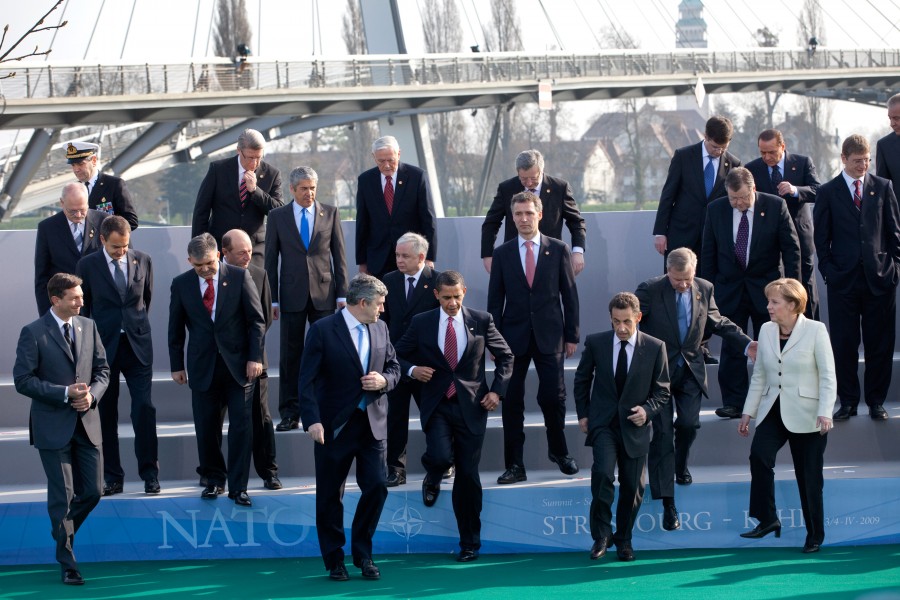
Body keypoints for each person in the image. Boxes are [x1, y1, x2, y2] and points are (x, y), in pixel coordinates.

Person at [395, 270, 513, 562]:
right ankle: (433, 475)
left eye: (456, 297)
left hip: (472, 407)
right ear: (436, 295)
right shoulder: (422, 322)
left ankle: (470, 542)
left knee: (468, 476)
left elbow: (506, 357)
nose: (452, 303)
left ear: (464, 292)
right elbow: (396, 355)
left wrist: (497, 392)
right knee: (439, 456)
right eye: (446, 297)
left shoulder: (482, 321)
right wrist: (412, 370)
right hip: (436, 404)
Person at [635, 247, 756, 531]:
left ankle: (679, 466)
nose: (683, 285)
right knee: (663, 434)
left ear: (694, 271)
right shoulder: (650, 289)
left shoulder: (704, 288)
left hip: (690, 369)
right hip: (658, 374)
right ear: (668, 271)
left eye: (687, 279)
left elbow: (718, 321)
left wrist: (746, 343)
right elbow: (631, 321)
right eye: (678, 279)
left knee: (689, 425)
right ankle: (668, 503)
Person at [298, 274, 400, 582]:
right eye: (380, 304)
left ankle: (363, 553)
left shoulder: (381, 328)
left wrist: (384, 381)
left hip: (373, 425)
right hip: (333, 428)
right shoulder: (322, 330)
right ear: (364, 302)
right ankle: (334, 560)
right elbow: (306, 380)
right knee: (330, 495)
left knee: (378, 486)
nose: (383, 310)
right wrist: (312, 420)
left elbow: (394, 367)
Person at [13, 273, 109, 585]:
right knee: (63, 497)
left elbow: (103, 370)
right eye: (75, 298)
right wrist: (65, 393)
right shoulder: (33, 332)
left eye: (81, 296)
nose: (82, 301)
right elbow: (23, 380)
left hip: (88, 425)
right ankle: (68, 563)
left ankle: (61, 534)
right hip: (53, 427)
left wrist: (91, 395)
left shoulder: (89, 326)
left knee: (93, 492)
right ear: (56, 300)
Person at [738, 278, 836, 553]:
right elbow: (760, 375)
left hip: (808, 414)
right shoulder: (766, 330)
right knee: (759, 456)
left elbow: (828, 375)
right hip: (774, 409)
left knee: (809, 478)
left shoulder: (816, 330)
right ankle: (768, 518)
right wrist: (748, 412)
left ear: (793, 305)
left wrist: (825, 411)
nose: (768, 306)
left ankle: (815, 535)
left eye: (774, 302)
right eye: (769, 301)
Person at [488, 191, 580, 484]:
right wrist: (494, 341)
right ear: (512, 217)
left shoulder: (559, 249)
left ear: (540, 214)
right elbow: (495, 300)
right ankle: (515, 465)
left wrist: (572, 334)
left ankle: (559, 451)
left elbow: (570, 295)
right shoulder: (502, 253)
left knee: (553, 397)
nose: (523, 219)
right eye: (518, 214)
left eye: (529, 213)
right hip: (511, 340)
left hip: (551, 336)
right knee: (512, 401)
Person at [168, 233, 266, 506]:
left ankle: (239, 487)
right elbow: (175, 328)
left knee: (241, 428)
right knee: (206, 428)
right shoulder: (181, 284)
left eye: (209, 263)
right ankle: (213, 480)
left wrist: (254, 357)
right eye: (198, 266)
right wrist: (176, 365)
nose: (205, 270)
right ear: (190, 261)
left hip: (238, 367)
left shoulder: (238, 277)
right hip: (202, 367)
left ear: (218, 255)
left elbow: (256, 321)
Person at [574, 292, 670, 562]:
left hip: (635, 427)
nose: (622, 328)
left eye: (627, 321)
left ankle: (624, 538)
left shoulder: (654, 347)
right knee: (603, 476)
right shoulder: (596, 343)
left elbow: (663, 391)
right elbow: (581, 380)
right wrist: (583, 415)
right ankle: (601, 536)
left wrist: (647, 411)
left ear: (638, 317)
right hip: (603, 424)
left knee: (632, 487)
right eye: (616, 321)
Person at [701, 167, 800, 419]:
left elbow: (791, 249)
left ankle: (774, 399)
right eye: (733, 198)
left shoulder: (775, 206)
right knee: (734, 346)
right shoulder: (716, 209)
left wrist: (792, 291)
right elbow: (709, 253)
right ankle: (734, 402)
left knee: (772, 345)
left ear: (753, 188)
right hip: (729, 289)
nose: (738, 203)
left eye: (743, 198)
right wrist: (707, 292)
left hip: (768, 290)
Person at [813, 134, 900, 422]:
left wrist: (894, 268)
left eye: (866, 160)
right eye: (857, 160)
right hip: (843, 282)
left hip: (880, 279)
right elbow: (820, 238)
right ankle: (848, 401)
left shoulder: (883, 187)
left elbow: (894, 233)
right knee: (844, 343)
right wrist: (829, 272)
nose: (863, 165)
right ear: (844, 159)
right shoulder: (827, 192)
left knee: (880, 343)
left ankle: (876, 401)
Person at [76, 215, 159, 496]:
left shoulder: (143, 259)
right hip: (103, 350)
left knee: (143, 410)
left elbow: (145, 300)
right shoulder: (87, 266)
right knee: (106, 414)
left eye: (124, 246)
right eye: (115, 247)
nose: (121, 251)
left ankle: (150, 475)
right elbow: (84, 311)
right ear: (102, 240)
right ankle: (113, 477)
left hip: (137, 346)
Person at [264, 166, 348, 431]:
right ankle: (290, 413)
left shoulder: (330, 213)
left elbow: (340, 256)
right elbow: (269, 262)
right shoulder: (277, 216)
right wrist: (273, 300)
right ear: (292, 189)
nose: (309, 193)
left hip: (325, 295)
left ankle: (325, 409)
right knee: (290, 357)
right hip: (290, 297)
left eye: (312, 188)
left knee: (327, 353)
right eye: (303, 188)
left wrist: (343, 294)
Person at [221, 229, 281, 490]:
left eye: (250, 251)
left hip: (255, 361)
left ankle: (268, 471)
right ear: (225, 253)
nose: (248, 256)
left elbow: (264, 318)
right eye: (242, 252)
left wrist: (251, 354)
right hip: (220, 362)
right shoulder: (213, 274)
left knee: (262, 417)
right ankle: (214, 476)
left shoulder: (259, 274)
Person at [381, 232, 441, 486]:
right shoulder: (389, 280)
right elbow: (383, 323)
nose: (399, 260)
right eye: (396, 254)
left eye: (404, 255)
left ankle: (441, 464)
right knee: (395, 418)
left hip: (429, 366)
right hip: (397, 363)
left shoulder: (438, 281)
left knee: (434, 418)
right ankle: (396, 469)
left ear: (421, 257)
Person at [745, 129, 821, 319]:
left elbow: (818, 190)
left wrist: (796, 190)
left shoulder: (802, 163)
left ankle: (809, 330)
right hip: (768, 240)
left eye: (771, 152)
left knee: (804, 287)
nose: (767, 157)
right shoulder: (752, 169)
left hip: (799, 236)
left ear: (783, 146)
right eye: (762, 152)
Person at [653, 115, 742, 270]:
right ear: (706, 136)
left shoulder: (734, 164)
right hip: (682, 232)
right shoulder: (683, 156)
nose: (719, 151)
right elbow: (668, 195)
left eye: (724, 148)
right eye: (715, 147)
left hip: (714, 237)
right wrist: (660, 232)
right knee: (679, 280)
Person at [481, 149, 586, 275]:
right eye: (523, 179)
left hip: (550, 257)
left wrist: (577, 252)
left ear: (541, 171)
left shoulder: (559, 188)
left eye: (533, 178)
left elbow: (576, 222)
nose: (529, 183)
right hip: (515, 258)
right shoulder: (507, 188)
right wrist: (487, 255)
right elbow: (491, 223)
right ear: (518, 173)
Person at [192, 128, 284, 269]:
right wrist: (198, 248)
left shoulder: (272, 174)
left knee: (254, 289)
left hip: (254, 250)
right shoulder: (218, 170)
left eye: (259, 157)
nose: (254, 163)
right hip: (221, 246)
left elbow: (278, 211)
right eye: (250, 157)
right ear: (238, 151)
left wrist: (255, 191)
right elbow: (201, 211)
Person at [355, 135, 437, 280]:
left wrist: (429, 257)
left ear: (398, 154)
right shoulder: (365, 180)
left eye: (391, 160)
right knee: (380, 301)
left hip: (411, 257)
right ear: (374, 157)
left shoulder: (416, 177)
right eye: (381, 161)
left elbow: (428, 219)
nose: (386, 165)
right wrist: (362, 262)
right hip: (378, 258)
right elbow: (362, 222)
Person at [34, 183, 106, 315]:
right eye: (72, 211)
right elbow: (42, 276)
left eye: (82, 209)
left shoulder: (104, 222)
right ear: (62, 203)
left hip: (99, 307)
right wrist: (46, 316)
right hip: (65, 306)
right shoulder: (47, 228)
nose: (78, 215)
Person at [65, 141, 138, 230]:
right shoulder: (73, 190)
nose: (76, 169)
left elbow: (131, 221)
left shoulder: (114, 185)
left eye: (81, 164)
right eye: (73, 165)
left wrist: (106, 236)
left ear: (94, 160)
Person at [875, 93, 900, 192]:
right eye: (890, 118)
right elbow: (881, 188)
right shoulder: (884, 146)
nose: (892, 124)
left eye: (897, 118)